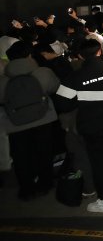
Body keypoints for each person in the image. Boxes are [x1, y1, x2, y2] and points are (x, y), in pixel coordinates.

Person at [56, 39, 103, 212]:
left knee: (98, 162)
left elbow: (62, 103)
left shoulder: (73, 78)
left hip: (91, 126)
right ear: (99, 52)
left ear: (81, 56)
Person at [0, 41, 60, 200]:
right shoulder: (43, 72)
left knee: (21, 156)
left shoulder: (3, 80)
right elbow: (55, 87)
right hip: (43, 118)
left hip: (15, 123)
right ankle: (45, 183)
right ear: (29, 56)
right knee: (44, 152)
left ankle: (27, 188)